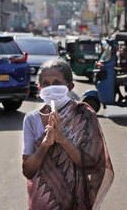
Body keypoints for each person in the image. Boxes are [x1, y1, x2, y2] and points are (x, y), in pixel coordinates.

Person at [22, 59, 114, 210]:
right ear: (39, 88)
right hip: (42, 201)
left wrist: (63, 141)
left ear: (70, 86)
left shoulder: (85, 115)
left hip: (75, 201)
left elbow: (91, 163)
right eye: (45, 84)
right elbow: (28, 171)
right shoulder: (31, 119)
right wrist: (45, 144)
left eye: (57, 83)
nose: (51, 88)